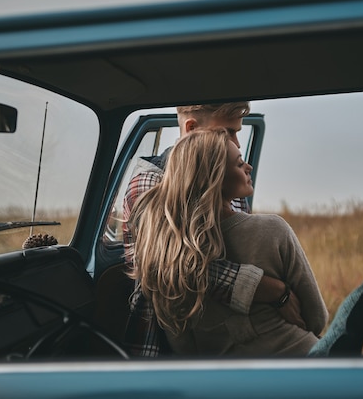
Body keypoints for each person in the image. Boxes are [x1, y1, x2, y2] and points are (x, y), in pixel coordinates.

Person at [122, 103, 305, 357]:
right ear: (192, 129)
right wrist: (272, 290)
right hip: (166, 345)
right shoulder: (149, 185)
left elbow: (238, 252)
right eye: (228, 132)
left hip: (233, 337)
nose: (237, 144)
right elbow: (168, 265)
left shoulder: (227, 177)